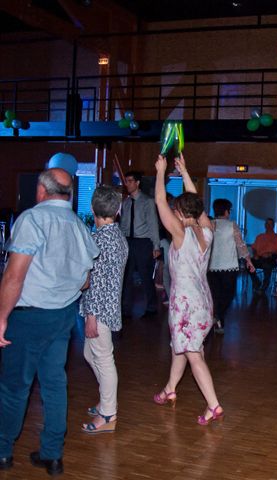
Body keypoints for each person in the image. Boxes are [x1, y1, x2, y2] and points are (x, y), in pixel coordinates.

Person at [0, 168, 99, 476]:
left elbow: (14, 275)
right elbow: (85, 281)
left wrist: (1, 317)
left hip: (29, 317)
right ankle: (52, 456)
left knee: (15, 387)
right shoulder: (78, 225)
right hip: (62, 316)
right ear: (68, 194)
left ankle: (3, 451)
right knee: (55, 385)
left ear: (41, 191)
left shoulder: (32, 219)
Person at [152, 154, 224, 425]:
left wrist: (161, 172)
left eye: (176, 210)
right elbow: (197, 204)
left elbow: (160, 202)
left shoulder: (180, 235)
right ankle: (170, 389)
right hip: (204, 301)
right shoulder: (207, 230)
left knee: (195, 355)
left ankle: (214, 405)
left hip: (185, 304)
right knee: (181, 347)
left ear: (180, 213)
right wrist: (184, 172)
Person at [80, 186, 129, 434]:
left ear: (92, 209)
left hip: (98, 310)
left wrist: (91, 316)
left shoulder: (98, 240)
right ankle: (107, 399)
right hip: (108, 307)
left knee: (103, 359)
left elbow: (95, 282)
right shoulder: (118, 236)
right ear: (118, 210)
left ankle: (108, 414)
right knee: (90, 355)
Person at [207, 198, 255, 334]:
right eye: (230, 209)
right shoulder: (232, 225)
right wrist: (248, 260)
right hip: (228, 266)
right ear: (226, 211)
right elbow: (240, 244)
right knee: (229, 294)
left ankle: (218, 322)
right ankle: (217, 318)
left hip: (211, 266)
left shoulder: (209, 224)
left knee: (216, 296)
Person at [120, 171, 161, 317]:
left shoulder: (147, 201)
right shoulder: (125, 202)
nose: (127, 184)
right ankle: (125, 308)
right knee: (126, 277)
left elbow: (152, 224)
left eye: (130, 181)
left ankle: (151, 307)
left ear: (137, 183)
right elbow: (123, 224)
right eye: (126, 181)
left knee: (145, 276)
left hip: (143, 242)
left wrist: (156, 245)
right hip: (128, 241)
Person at [250, 218, 277, 294]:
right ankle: (257, 282)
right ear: (265, 225)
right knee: (249, 263)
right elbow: (254, 248)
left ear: (273, 226)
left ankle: (264, 286)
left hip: (271, 258)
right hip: (259, 258)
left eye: (270, 224)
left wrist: (270, 253)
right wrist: (255, 254)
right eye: (267, 224)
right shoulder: (259, 237)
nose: (268, 226)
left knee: (267, 264)